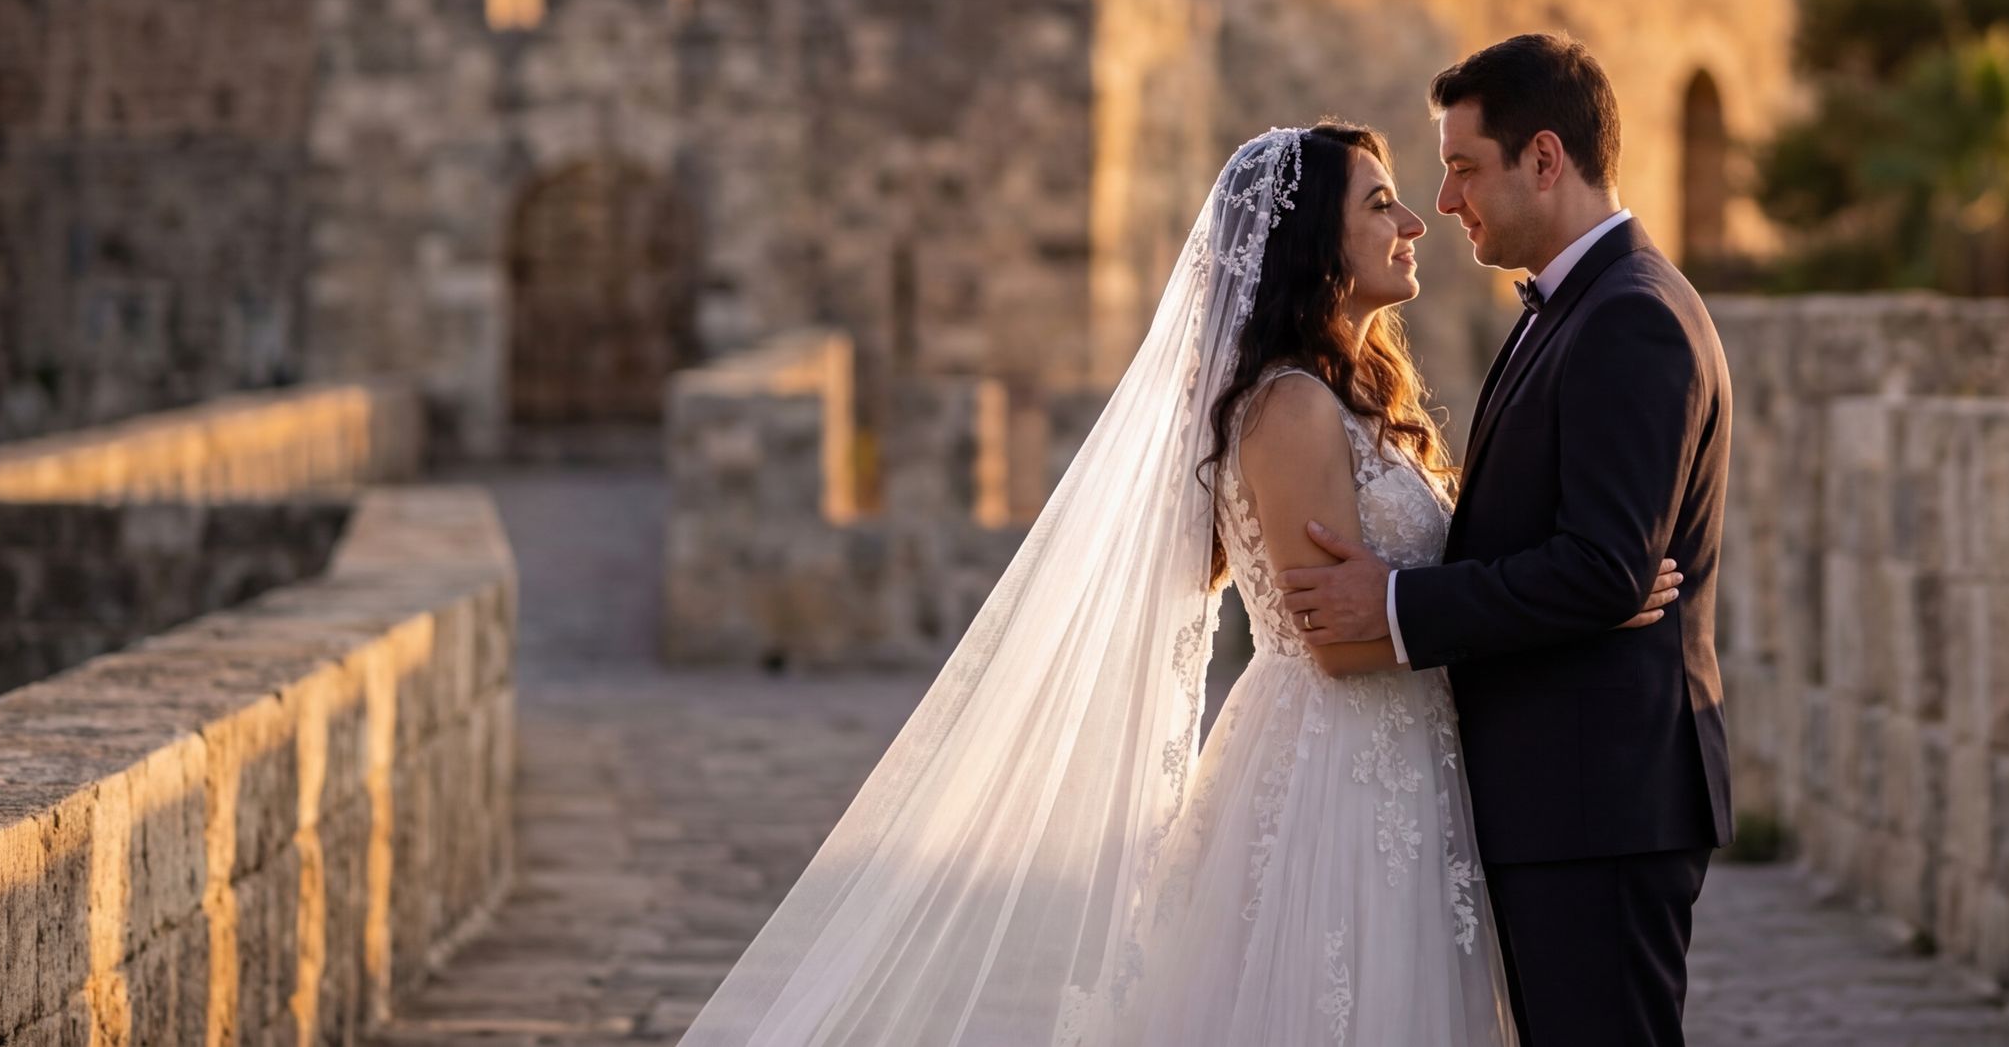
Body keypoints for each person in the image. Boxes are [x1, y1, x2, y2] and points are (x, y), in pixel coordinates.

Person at [671, 117, 1678, 1046]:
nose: (1416, 220)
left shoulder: (1353, 397)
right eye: (1379, 203)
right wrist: (1580, 604)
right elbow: (1338, 639)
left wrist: (1568, 586)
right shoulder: (1290, 407)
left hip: (1402, 763)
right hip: (1339, 766)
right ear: (1311, 244)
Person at [1281, 35, 1734, 1047]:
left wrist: (1396, 606)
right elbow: (1601, 566)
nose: (1444, 203)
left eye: (1462, 167)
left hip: (1597, 804)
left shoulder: (1632, 317)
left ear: (1543, 158)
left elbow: (1607, 568)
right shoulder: (1565, 310)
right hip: (1557, 800)